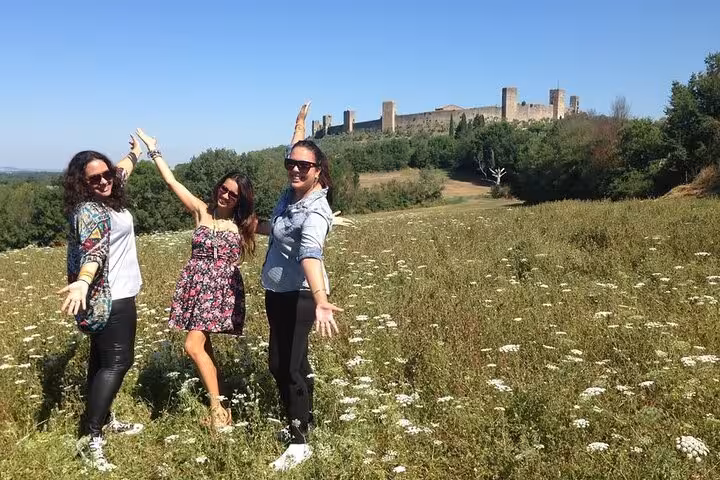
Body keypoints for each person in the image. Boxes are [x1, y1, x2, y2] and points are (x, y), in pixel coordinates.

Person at [135, 128, 257, 428]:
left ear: (240, 200)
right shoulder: (201, 211)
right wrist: (154, 150)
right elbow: (171, 181)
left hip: (222, 291)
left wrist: (322, 218)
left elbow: (285, 226)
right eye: (224, 188)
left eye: (233, 194)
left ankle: (217, 412)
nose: (225, 195)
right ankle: (223, 404)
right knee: (203, 348)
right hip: (195, 286)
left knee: (192, 347)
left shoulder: (245, 223)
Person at [257, 103, 343, 471]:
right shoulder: (291, 195)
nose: (294, 169)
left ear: (318, 172)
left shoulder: (315, 212)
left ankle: (300, 442)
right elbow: (298, 152)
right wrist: (299, 126)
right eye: (290, 164)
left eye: (303, 166)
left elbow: (310, 253)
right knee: (293, 363)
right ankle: (303, 420)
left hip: (301, 296)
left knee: (284, 366)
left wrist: (322, 299)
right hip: (277, 292)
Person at [58, 138, 145, 472]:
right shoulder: (90, 211)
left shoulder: (108, 190)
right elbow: (93, 251)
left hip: (118, 293)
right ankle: (92, 438)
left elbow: (123, 169)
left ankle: (104, 420)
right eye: (95, 179)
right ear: (82, 184)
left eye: (106, 174)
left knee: (100, 361)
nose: (105, 181)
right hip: (110, 297)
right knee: (118, 363)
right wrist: (82, 281)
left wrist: (139, 150)